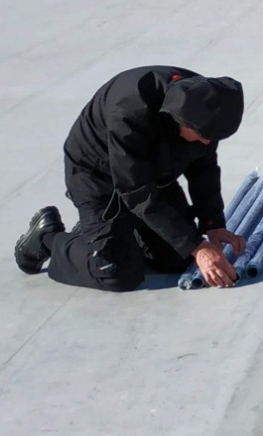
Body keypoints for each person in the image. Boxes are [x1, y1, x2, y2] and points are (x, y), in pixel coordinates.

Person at [14, 66, 247, 292]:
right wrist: (198, 247)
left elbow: (203, 168)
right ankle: (47, 237)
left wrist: (213, 224)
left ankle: (106, 235)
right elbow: (136, 192)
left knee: (178, 257)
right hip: (99, 181)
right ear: (180, 118)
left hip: (154, 177)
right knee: (117, 272)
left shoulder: (206, 101)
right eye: (202, 136)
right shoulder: (129, 110)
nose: (207, 143)